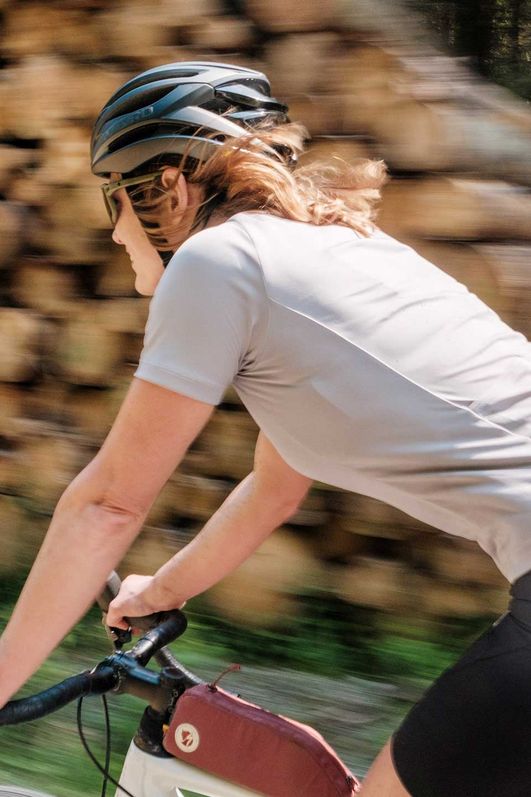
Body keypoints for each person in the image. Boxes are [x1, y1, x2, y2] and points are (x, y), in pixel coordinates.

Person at [1, 60, 531, 796]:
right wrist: (164, 589)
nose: (115, 226)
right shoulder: (339, 254)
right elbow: (274, 488)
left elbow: (107, 506)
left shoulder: (216, 262)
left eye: (114, 196)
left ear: (168, 189)